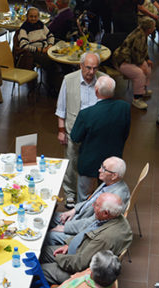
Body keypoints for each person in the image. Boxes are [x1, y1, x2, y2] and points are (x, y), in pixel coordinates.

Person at [40, 193, 132, 285]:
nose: (92, 206)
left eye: (96, 205)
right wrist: (68, 244)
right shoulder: (116, 217)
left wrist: (59, 258)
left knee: (39, 270)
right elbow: (86, 233)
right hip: (75, 252)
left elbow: (79, 264)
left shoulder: (104, 238)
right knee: (40, 252)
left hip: (77, 271)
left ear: (105, 213)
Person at [70, 76, 131, 202]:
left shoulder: (86, 114)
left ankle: (82, 219)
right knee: (109, 199)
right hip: (112, 163)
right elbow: (125, 133)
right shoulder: (124, 108)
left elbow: (75, 137)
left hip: (89, 162)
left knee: (83, 198)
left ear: (96, 91)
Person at [56, 52, 104, 208]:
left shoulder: (103, 80)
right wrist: (61, 130)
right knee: (71, 162)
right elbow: (61, 107)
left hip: (95, 131)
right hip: (74, 129)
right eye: (88, 68)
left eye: (94, 68)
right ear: (81, 66)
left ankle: (92, 192)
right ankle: (70, 193)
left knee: (94, 162)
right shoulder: (69, 80)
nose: (91, 72)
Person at [47, 156, 130, 245]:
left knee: (48, 236)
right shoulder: (109, 183)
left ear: (114, 176)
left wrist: (65, 228)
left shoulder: (115, 197)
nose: (99, 170)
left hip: (84, 230)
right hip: (79, 217)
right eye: (101, 166)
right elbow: (90, 201)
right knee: (47, 216)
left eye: (104, 169)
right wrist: (74, 210)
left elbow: (93, 223)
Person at [112, 17, 156, 110]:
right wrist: (140, 65)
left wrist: (147, 59)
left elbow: (142, 49)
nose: (154, 28)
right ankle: (137, 98)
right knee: (139, 74)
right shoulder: (139, 36)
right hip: (122, 60)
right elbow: (135, 52)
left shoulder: (142, 33)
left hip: (131, 59)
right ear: (149, 29)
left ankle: (143, 90)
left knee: (147, 67)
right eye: (153, 27)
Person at [17, 7, 56, 91]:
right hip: (34, 52)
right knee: (51, 62)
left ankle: (53, 85)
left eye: (35, 16)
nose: (33, 18)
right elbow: (23, 45)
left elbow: (51, 36)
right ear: (27, 17)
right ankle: (52, 88)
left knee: (57, 59)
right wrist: (39, 50)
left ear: (38, 16)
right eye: (31, 16)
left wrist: (49, 45)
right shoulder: (24, 28)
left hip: (46, 48)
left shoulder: (41, 24)